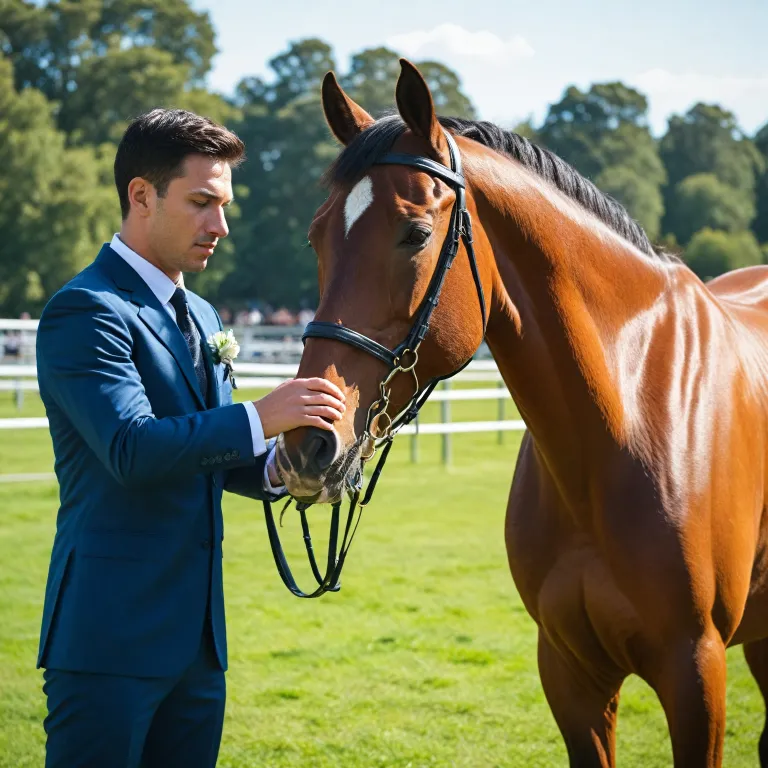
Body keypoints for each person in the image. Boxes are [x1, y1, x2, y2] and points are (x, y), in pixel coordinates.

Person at [35, 108, 346, 768]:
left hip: (200, 646)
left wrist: (284, 467)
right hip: (109, 642)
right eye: (202, 202)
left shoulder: (201, 313)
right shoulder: (85, 310)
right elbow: (132, 448)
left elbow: (208, 452)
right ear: (141, 196)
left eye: (225, 204)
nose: (221, 226)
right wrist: (264, 416)